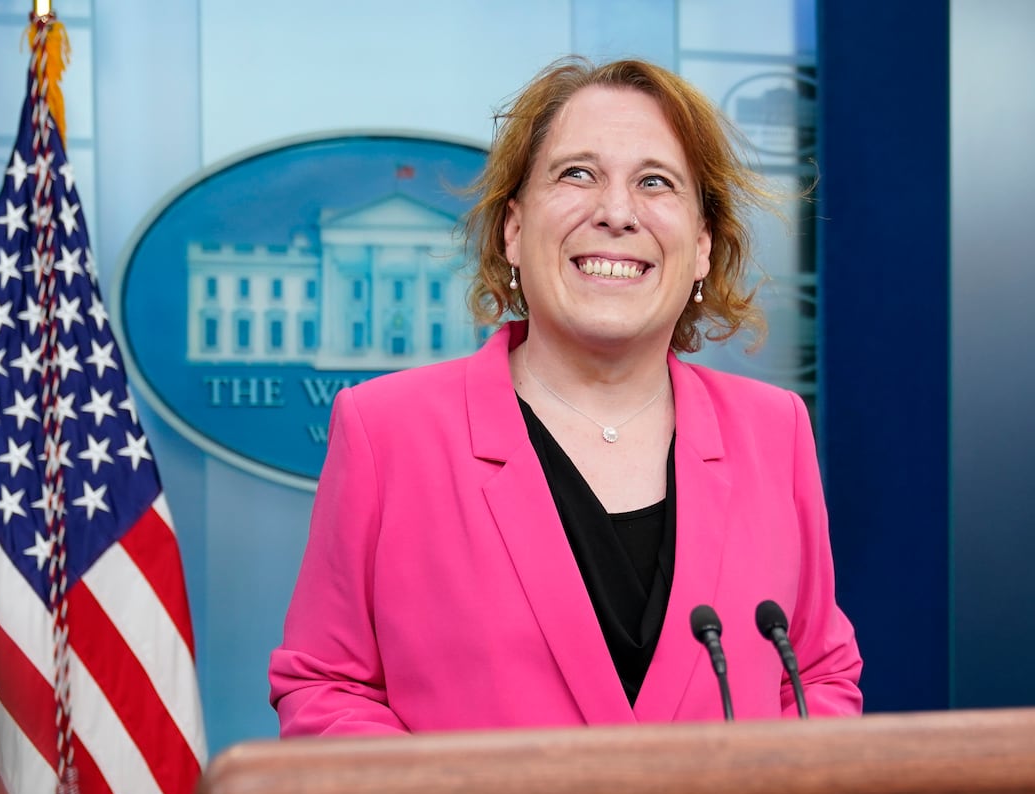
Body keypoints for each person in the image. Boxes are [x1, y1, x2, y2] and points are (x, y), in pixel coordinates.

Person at [269, 58, 861, 735]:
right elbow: (326, 687)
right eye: (577, 174)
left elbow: (816, 673)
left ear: (701, 247)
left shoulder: (774, 432)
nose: (615, 212)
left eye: (655, 182)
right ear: (514, 231)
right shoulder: (387, 431)